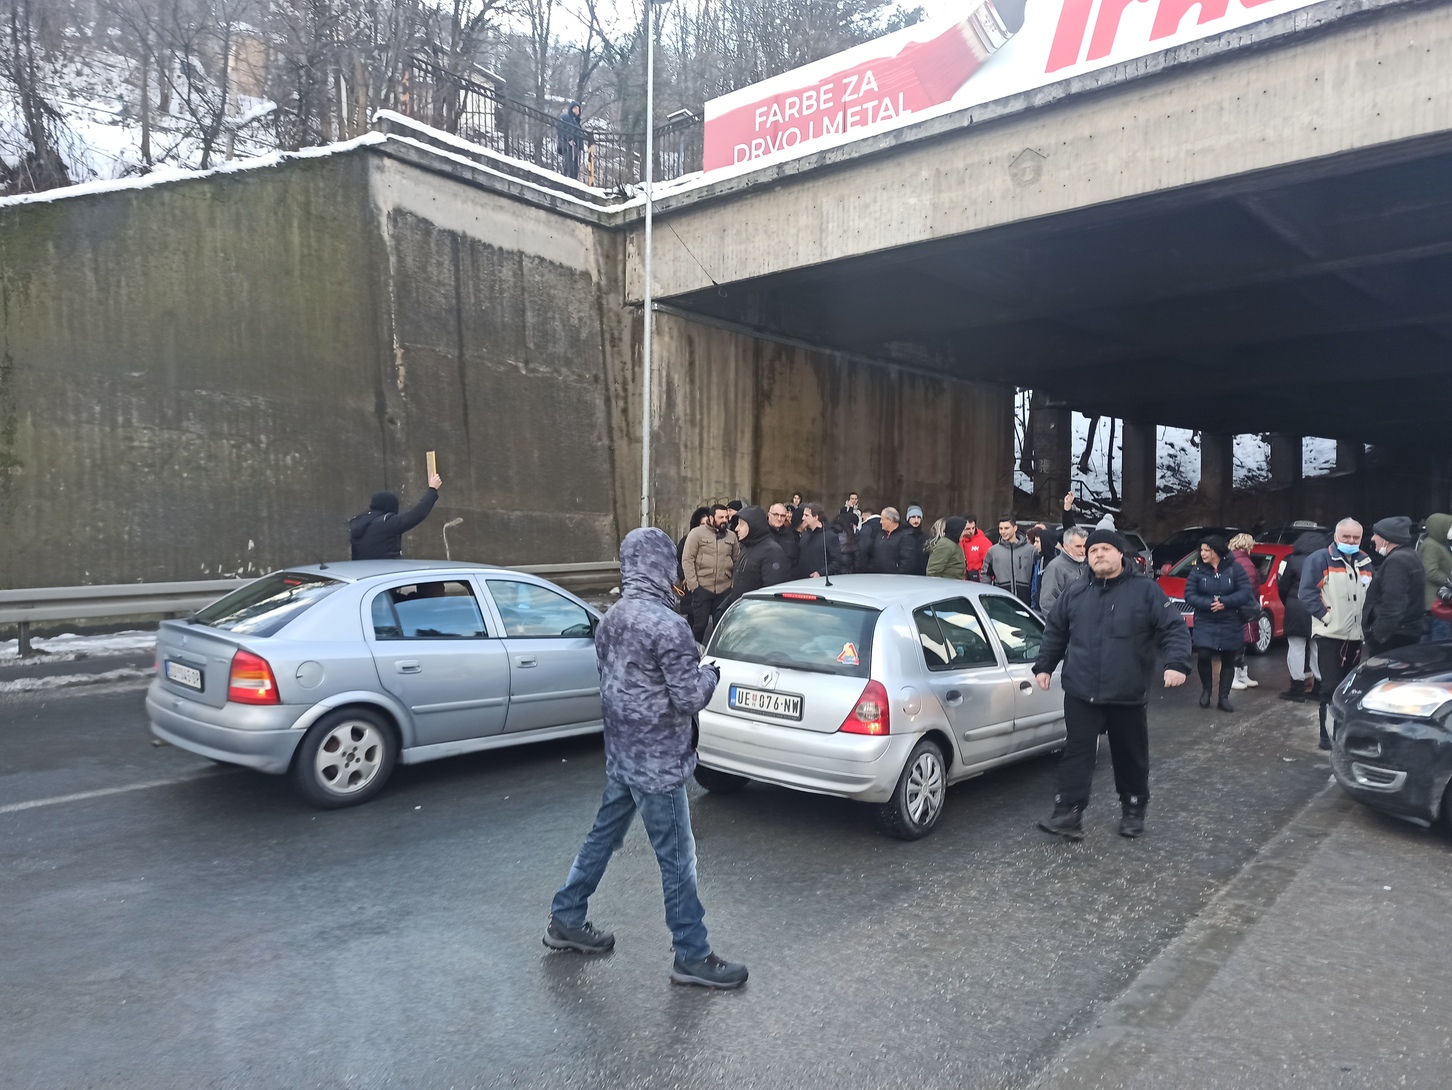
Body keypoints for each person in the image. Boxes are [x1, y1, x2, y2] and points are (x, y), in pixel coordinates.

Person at [544, 528, 746, 989]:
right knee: (677, 858)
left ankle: (566, 917)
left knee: (602, 838)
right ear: (662, 564)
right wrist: (711, 673)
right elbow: (690, 697)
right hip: (659, 763)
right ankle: (692, 954)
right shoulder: (668, 625)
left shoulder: (611, 617)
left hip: (623, 754)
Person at [1033, 528, 1191, 840]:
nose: (1099, 555)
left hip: (1126, 690)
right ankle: (1068, 813)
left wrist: (1177, 664)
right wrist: (1045, 666)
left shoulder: (1145, 591)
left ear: (1120, 554)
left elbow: (1173, 628)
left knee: (1129, 754)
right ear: (1086, 557)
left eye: (1106, 549)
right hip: (1081, 689)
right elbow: (1055, 632)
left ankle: (1133, 808)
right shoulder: (1076, 593)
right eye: (1093, 551)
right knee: (1077, 753)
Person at [1299, 519, 1373, 750]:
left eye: (1356, 538)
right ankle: (1326, 735)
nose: (1351, 542)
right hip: (1330, 635)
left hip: (1356, 636)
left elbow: (1372, 595)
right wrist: (1327, 617)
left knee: (1350, 689)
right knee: (1330, 688)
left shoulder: (1366, 562)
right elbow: (1307, 593)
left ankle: (1345, 733)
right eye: (1346, 537)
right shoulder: (1320, 559)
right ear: (1336, 536)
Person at [1183, 535, 1253, 712]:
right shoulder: (1198, 570)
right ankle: (1206, 690)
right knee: (1204, 654)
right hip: (1206, 619)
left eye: (1207, 550)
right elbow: (1189, 595)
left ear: (1217, 552)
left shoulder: (1235, 569)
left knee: (1228, 659)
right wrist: (1208, 604)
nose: (1203, 553)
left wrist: (1225, 602)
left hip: (1230, 619)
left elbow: (1245, 592)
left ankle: (1223, 697)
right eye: (1202, 550)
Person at [1362, 516, 1426, 656]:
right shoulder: (1411, 556)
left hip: (1393, 638)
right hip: (1406, 633)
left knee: (1383, 677)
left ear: (1386, 538)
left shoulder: (1396, 561)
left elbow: (1393, 602)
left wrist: (1378, 636)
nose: (1372, 539)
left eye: (1376, 535)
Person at [1276, 531, 1327, 702]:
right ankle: (1319, 686)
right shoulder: (1327, 560)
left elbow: (1282, 585)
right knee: (1317, 647)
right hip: (1320, 607)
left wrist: (1289, 601)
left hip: (1296, 606)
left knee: (1296, 647)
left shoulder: (1290, 560)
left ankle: (1297, 687)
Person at [348, 473, 443, 560]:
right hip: (386, 573)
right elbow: (417, 514)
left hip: (362, 574)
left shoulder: (358, 521)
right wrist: (432, 490)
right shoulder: (386, 523)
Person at [680, 503, 738, 643]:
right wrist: (694, 586)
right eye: (720, 517)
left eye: (726, 517)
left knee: (721, 628)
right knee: (699, 626)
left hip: (724, 589)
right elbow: (687, 559)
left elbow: (737, 560)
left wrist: (733, 585)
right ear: (711, 518)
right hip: (702, 588)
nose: (724, 520)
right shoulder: (696, 534)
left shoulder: (731, 536)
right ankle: (694, 654)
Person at [722, 505, 790, 609]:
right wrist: (726, 606)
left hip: (754, 615)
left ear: (752, 525)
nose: (736, 528)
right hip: (740, 611)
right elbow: (741, 585)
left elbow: (771, 595)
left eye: (741, 524)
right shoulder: (746, 546)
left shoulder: (772, 551)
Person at [1227, 533, 1263, 691]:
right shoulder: (1245, 563)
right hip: (1243, 608)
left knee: (1238, 642)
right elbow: (1247, 587)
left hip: (1232, 606)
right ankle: (1234, 676)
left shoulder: (1229, 559)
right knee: (1239, 642)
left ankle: (1240, 673)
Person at [983, 515, 1035, 604]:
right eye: (1001, 528)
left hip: (1025, 601)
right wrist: (985, 597)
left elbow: (1036, 576)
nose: (1003, 532)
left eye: (1006, 528)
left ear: (1015, 528)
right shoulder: (993, 551)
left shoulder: (1030, 550)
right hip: (1001, 601)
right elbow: (986, 575)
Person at [1416, 513, 1452, 642]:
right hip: (1436, 605)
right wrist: (1449, 581)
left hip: (1439, 603)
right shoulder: (1432, 545)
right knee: (1440, 646)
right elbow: (1430, 571)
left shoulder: (1440, 545)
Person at [1038, 525, 1089, 614]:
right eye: (1078, 546)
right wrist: (1059, 626)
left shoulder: (1088, 564)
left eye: (1084, 546)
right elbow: (1047, 602)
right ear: (1066, 546)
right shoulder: (1055, 567)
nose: (1082, 550)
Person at [793, 502, 849, 579]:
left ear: (815, 517)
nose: (803, 518)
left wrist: (820, 573)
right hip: (802, 581)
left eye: (806, 515)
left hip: (819, 583)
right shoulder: (805, 535)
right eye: (803, 515)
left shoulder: (829, 536)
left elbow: (837, 562)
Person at [857, 506, 917, 574]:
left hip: (895, 580)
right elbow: (874, 555)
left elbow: (907, 563)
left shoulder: (906, 537)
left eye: (882, 519)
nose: (880, 522)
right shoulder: (880, 534)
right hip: (878, 577)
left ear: (890, 520)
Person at [555, 101, 590, 180]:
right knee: (568, 165)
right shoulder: (565, 117)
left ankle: (573, 181)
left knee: (575, 167)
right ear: (571, 109)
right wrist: (569, 139)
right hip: (567, 145)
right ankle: (565, 181)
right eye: (575, 108)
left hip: (576, 147)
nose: (577, 110)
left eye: (578, 109)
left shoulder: (577, 121)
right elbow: (561, 129)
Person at [677, 506, 710, 582]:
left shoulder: (717, 540)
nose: (705, 527)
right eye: (702, 524)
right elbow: (680, 561)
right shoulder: (686, 541)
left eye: (707, 524)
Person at [768, 502, 801, 574]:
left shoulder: (789, 534)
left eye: (782, 516)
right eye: (776, 515)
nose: (779, 518)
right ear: (769, 515)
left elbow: (793, 559)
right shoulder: (761, 532)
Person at [960, 517, 993, 581]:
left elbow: (989, 564)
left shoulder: (984, 542)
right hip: (962, 580)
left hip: (978, 580)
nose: (971, 531)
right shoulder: (959, 541)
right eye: (968, 529)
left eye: (973, 528)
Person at [903, 505, 930, 575]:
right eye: (913, 517)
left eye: (918, 517)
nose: (916, 520)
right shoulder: (902, 535)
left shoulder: (926, 536)